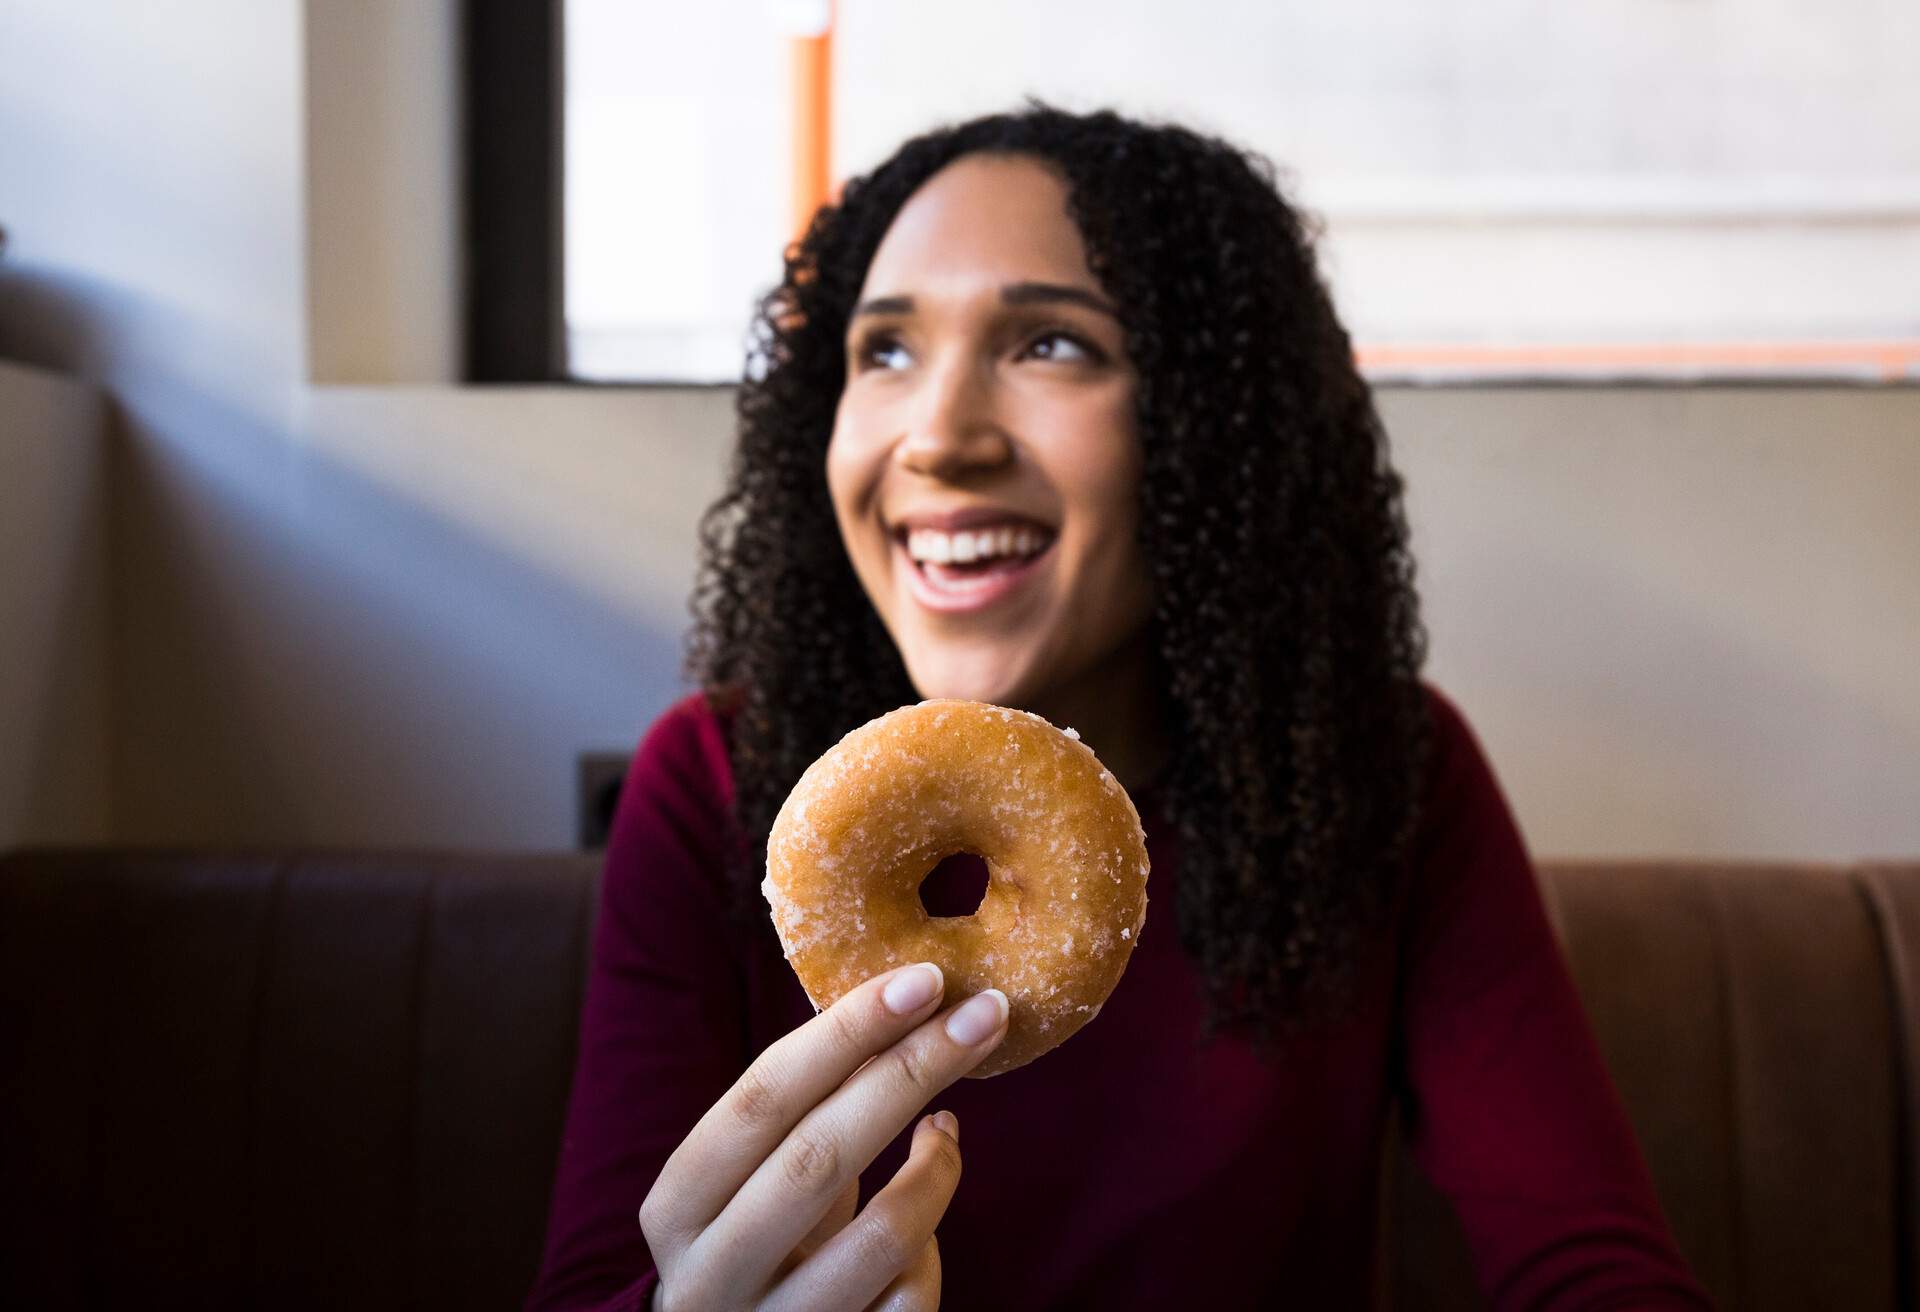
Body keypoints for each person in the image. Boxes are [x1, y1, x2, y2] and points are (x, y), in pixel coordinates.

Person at [526, 105, 1710, 1311]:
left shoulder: (1382, 775)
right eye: (883, 351)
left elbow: (1590, 1270)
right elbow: (589, 1286)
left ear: (1212, 427)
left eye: (1052, 344)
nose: (938, 437)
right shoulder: (719, 781)